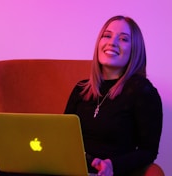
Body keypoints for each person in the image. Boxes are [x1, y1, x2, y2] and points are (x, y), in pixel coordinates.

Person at [64, 15, 163, 176]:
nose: (112, 42)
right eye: (107, 35)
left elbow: (148, 151)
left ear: (135, 50)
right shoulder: (81, 89)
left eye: (123, 39)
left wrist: (112, 165)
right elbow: (64, 136)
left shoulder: (142, 91)